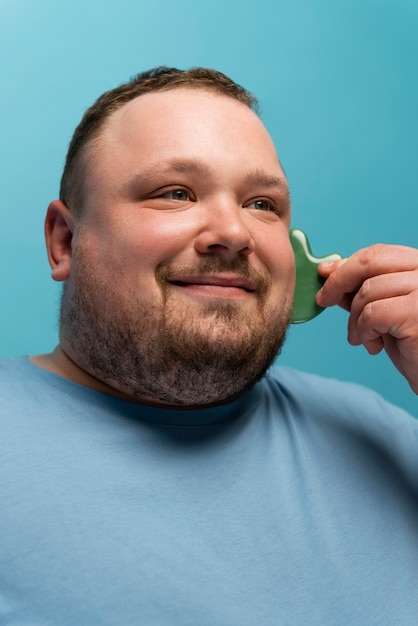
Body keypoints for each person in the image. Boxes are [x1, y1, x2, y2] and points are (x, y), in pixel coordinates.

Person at [1, 66, 418, 625]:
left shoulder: (381, 434)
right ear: (65, 242)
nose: (235, 232)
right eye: (175, 193)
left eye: (262, 204)